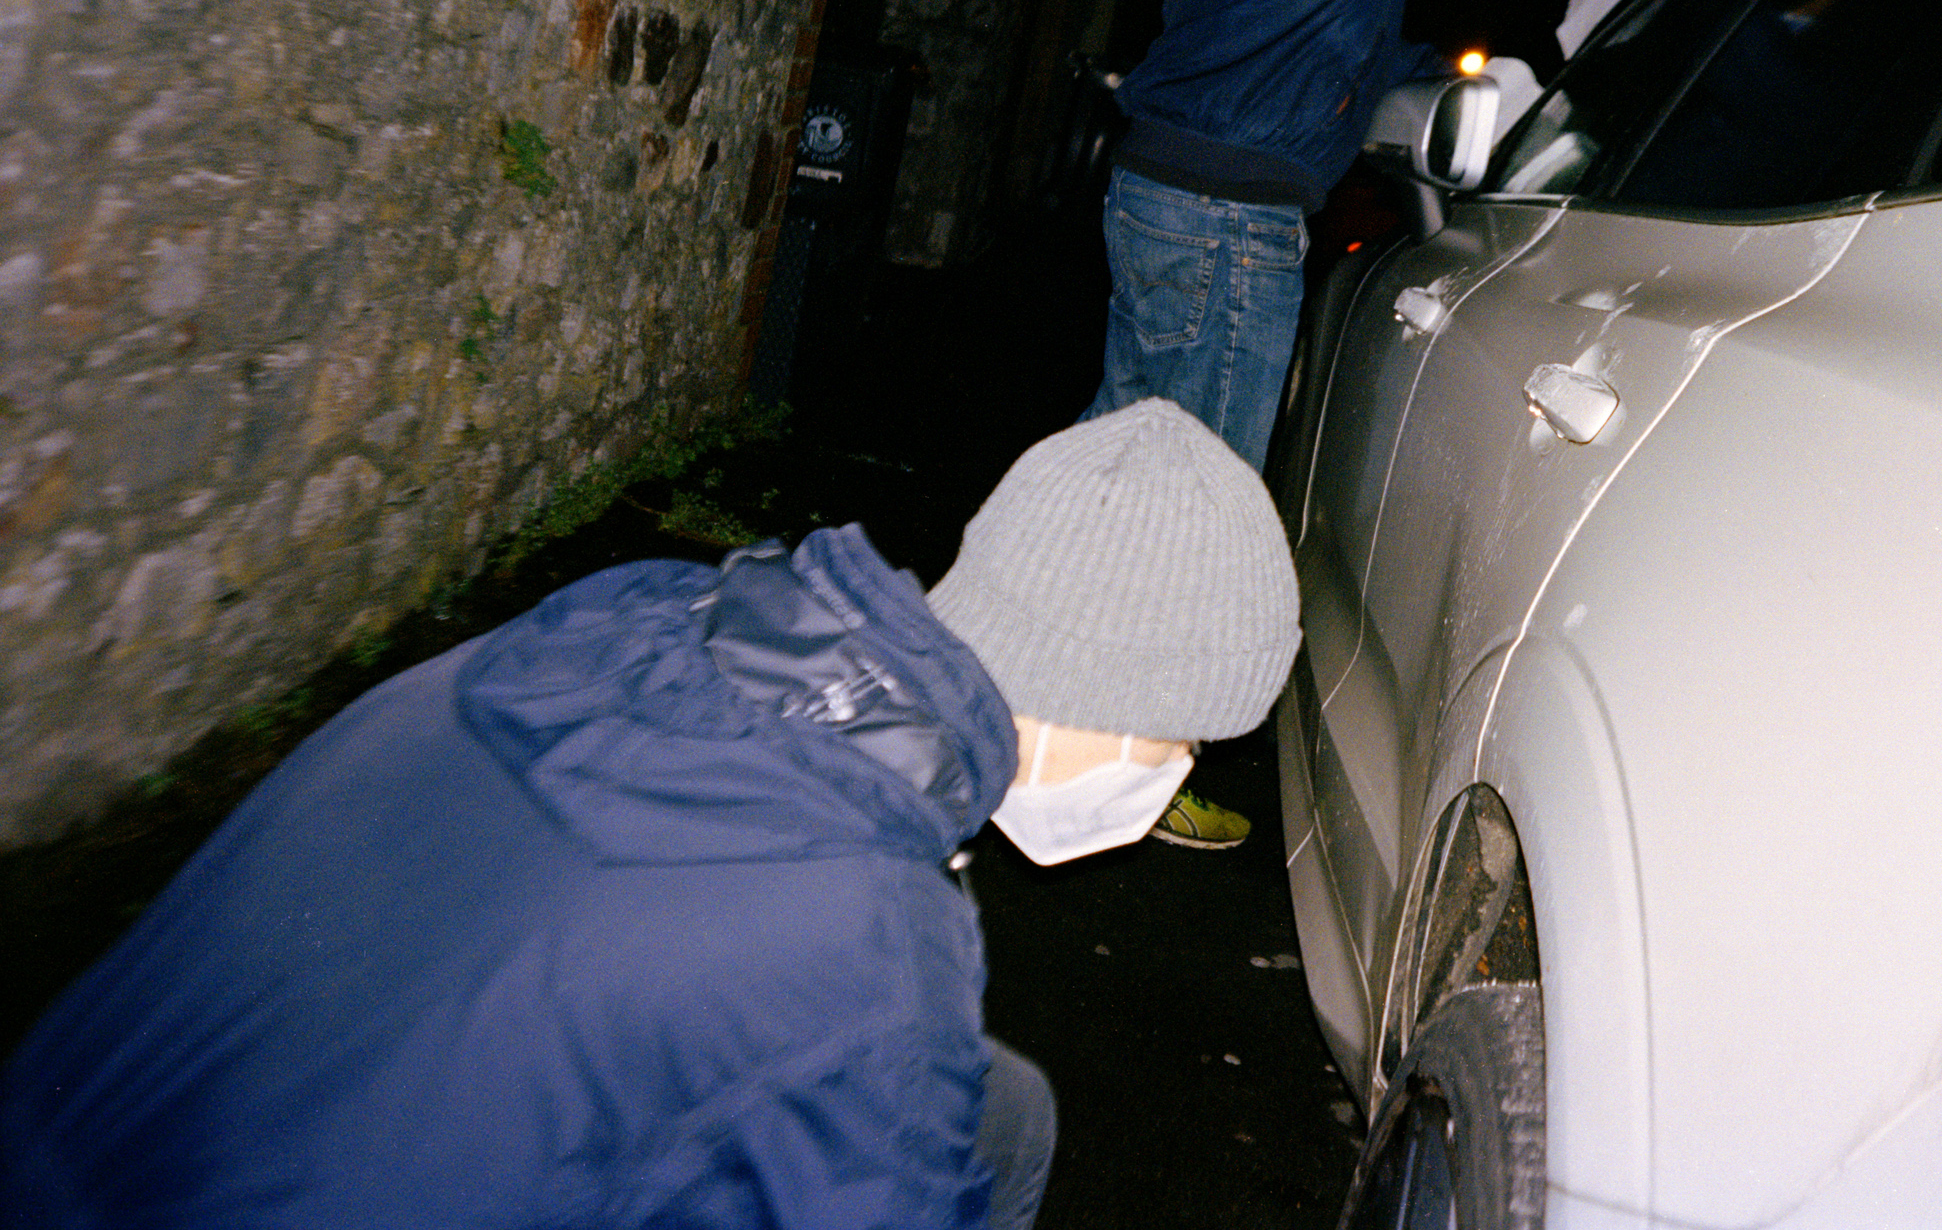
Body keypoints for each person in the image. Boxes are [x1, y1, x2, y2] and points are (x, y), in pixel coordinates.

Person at [0, 400, 1298, 1230]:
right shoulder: (866, 936)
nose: (1171, 776)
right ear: (1106, 701)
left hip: (71, 1149)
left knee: (990, 1104)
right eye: (1181, 741)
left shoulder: (645, 613)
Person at [1085, 0, 1667, 850]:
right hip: (1223, 220)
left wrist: (1455, 74)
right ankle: (1125, 770)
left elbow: (1323, 46)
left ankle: (1046, 710)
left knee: (1126, 478)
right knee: (1195, 502)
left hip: (1175, 190)